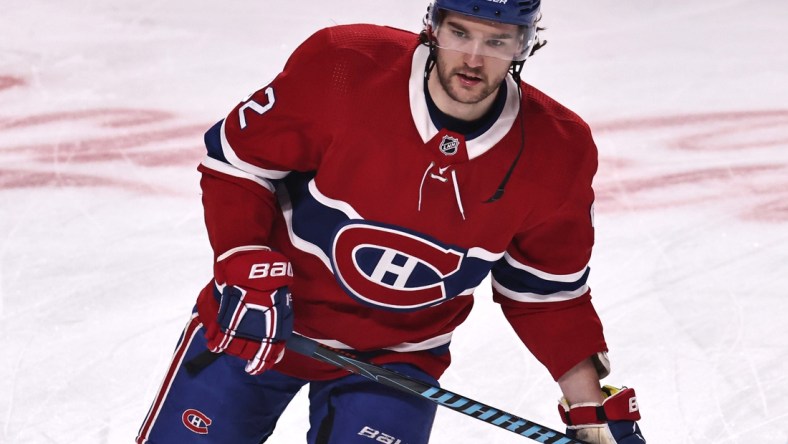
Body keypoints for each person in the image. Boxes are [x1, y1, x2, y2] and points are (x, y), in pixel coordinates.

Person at [136, 1, 647, 443]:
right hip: (265, 322)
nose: (473, 59)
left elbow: (546, 293)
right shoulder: (344, 66)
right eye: (460, 33)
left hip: (398, 357)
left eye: (497, 41)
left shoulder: (557, 151)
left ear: (524, 45)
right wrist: (242, 256)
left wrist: (588, 408)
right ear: (433, 26)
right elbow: (238, 164)